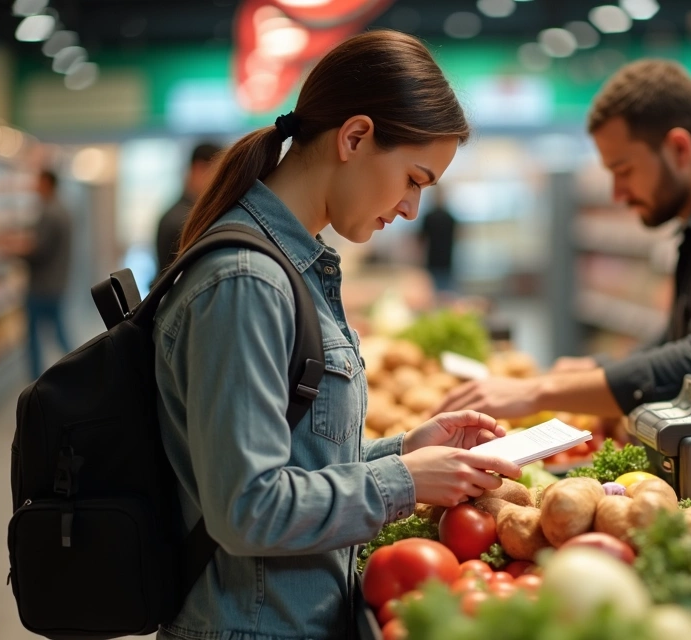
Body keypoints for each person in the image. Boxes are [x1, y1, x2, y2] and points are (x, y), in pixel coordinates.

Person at [152, 31, 519, 640]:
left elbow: (293, 463)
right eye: (413, 179)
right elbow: (249, 509)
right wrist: (407, 482)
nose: (411, 209)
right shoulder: (249, 282)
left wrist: (403, 451)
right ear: (354, 138)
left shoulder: (288, 267)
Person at [438, 60, 691, 483]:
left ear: (679, 148)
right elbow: (682, 341)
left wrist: (536, 392)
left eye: (624, 171)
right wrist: (598, 373)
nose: (618, 193)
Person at [0, 169, 73, 380]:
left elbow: (39, 251)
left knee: (35, 336)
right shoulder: (62, 211)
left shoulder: (50, 213)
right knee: (58, 331)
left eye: (38, 182)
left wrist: (12, 250)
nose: (35, 187)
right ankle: (79, 367)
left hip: (42, 286)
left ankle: (36, 380)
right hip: (56, 283)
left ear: (47, 184)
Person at [155, 142, 222, 273]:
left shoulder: (180, 214)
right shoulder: (182, 219)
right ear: (198, 170)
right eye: (216, 174)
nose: (218, 183)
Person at [418, 187, 458, 291]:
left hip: (434, 259)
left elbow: (421, 240)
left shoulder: (429, 217)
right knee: (445, 290)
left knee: (433, 290)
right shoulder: (450, 218)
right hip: (444, 259)